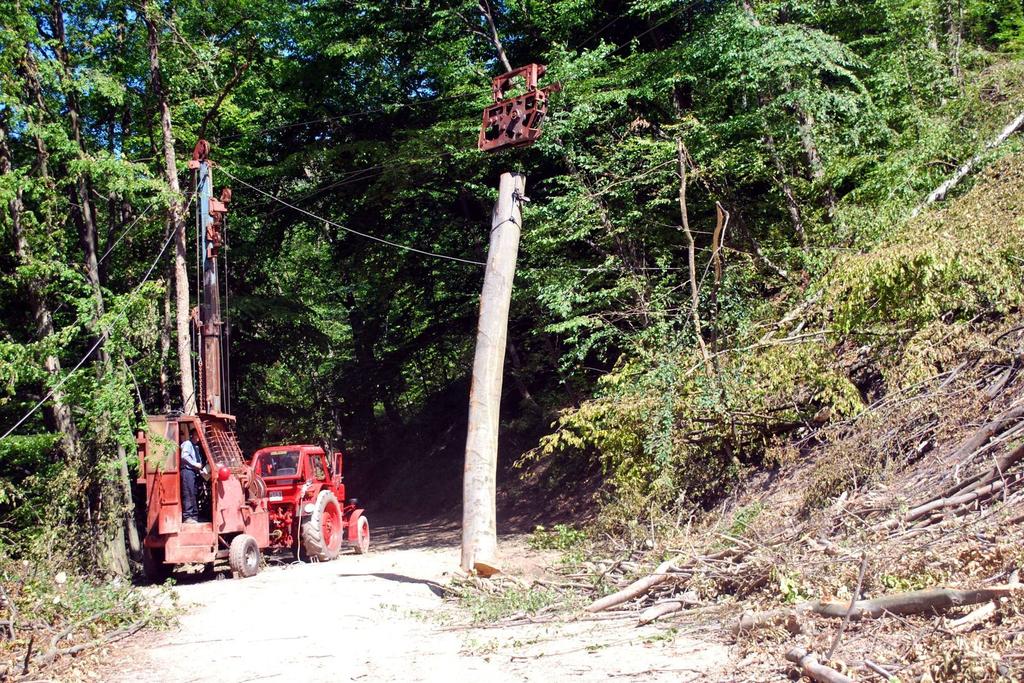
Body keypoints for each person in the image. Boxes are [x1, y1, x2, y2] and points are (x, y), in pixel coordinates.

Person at [180, 431, 204, 523]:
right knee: (189, 493)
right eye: (197, 435)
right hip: (187, 471)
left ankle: (194, 516)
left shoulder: (196, 447)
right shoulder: (188, 444)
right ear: (192, 435)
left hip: (194, 472)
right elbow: (184, 456)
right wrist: (195, 464)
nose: (199, 437)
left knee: (194, 493)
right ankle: (187, 516)